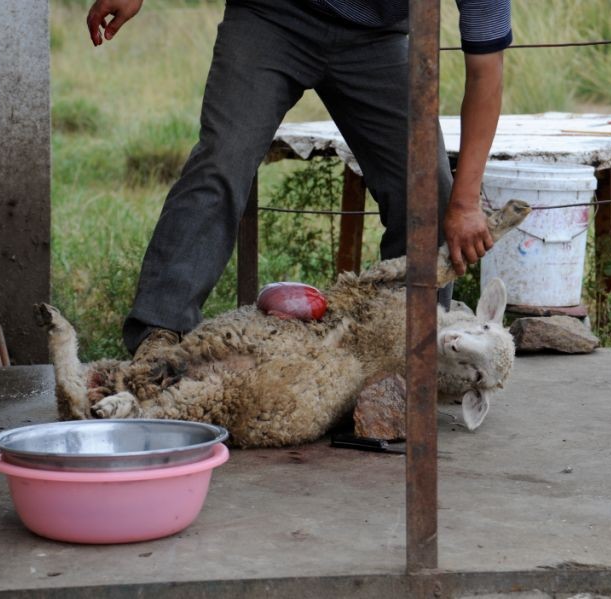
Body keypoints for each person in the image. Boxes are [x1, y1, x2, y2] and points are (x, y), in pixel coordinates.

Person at [84, 0, 512, 358]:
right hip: (271, 14)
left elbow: (485, 72)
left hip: (375, 39)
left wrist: (465, 202)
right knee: (221, 161)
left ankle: (406, 351)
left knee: (428, 193)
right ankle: (160, 334)